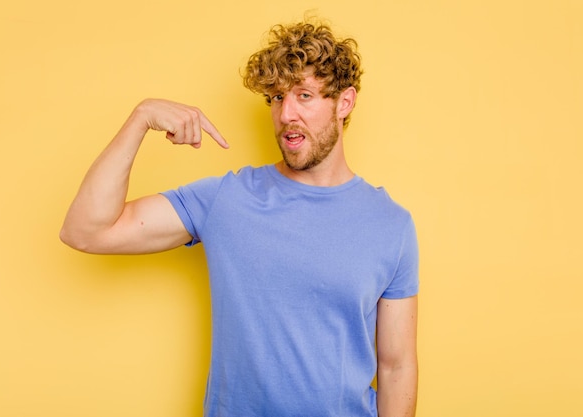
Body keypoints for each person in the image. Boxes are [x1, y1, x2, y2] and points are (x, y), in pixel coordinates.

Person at [60, 19, 419, 417]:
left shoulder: (391, 225)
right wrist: (140, 118)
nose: (286, 114)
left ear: (345, 102)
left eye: (304, 95)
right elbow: (86, 230)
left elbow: (396, 366)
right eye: (277, 98)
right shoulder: (226, 200)